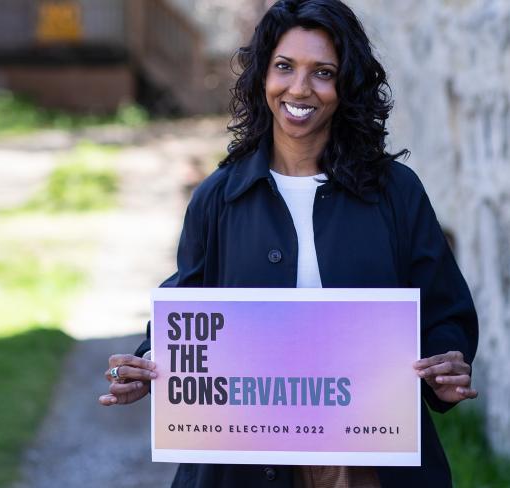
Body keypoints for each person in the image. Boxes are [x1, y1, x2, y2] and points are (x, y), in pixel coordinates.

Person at [99, 1, 479, 486]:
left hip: (365, 460)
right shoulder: (219, 197)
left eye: (323, 72)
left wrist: (447, 363)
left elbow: (445, 311)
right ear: (263, 76)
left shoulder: (395, 193)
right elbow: (188, 307)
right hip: (245, 461)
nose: (300, 88)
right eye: (284, 67)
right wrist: (148, 361)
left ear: (347, 87)